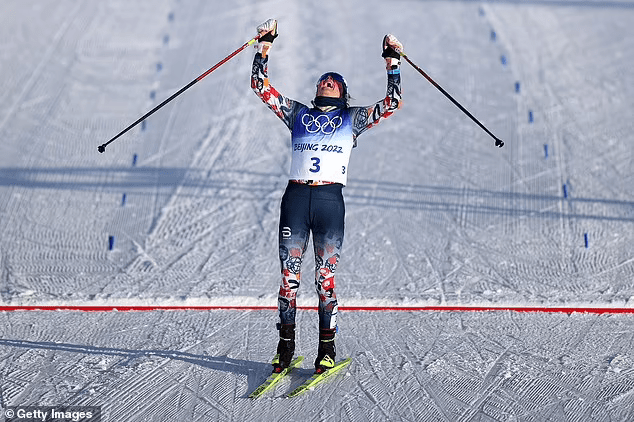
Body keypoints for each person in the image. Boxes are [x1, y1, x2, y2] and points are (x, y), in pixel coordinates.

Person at [251, 19, 403, 374]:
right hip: (296, 201)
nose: (327, 80)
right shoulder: (298, 113)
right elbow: (260, 87)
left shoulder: (353, 118)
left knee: (324, 279)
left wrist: (392, 62)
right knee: (289, 278)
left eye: (334, 80)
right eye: (323, 79)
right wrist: (264, 46)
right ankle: (285, 348)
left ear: (343, 92)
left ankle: (326, 349)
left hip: (329, 204)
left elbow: (392, 103)